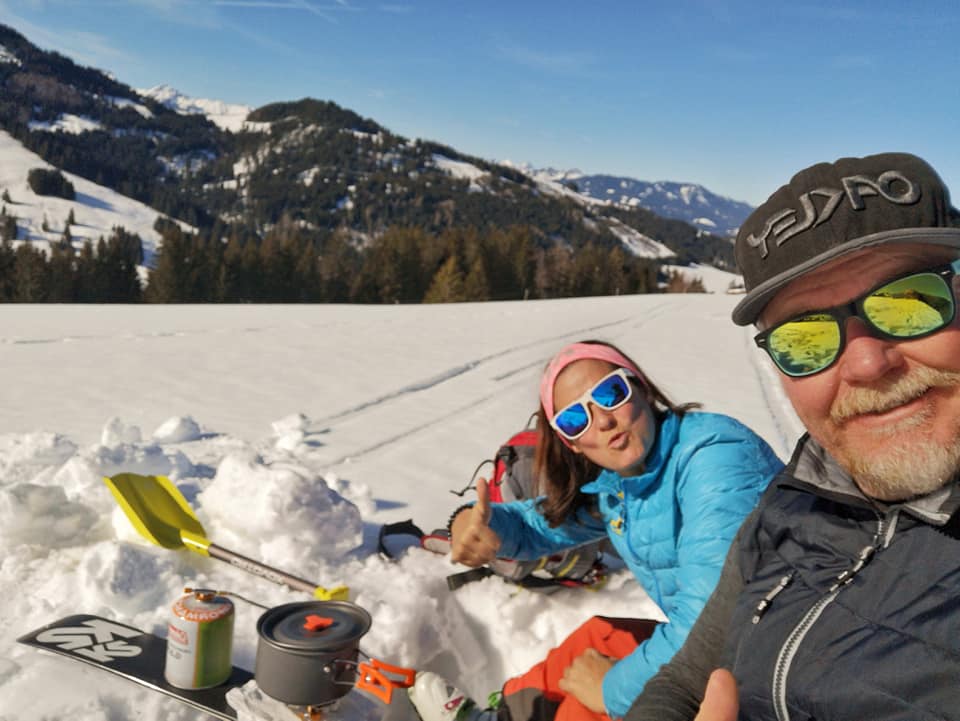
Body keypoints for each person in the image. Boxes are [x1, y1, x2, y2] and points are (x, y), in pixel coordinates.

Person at [626, 151, 960, 721]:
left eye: (911, 302)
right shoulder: (791, 499)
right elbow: (687, 681)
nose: (864, 363)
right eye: (804, 338)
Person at [408, 340, 783, 721]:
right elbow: (541, 524)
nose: (602, 421)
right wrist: (475, 521)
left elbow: (712, 625)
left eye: (609, 393)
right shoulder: (624, 483)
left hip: (776, 673)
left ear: (640, 387)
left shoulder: (714, 455)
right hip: (734, 658)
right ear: (571, 443)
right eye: (575, 418)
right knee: (598, 637)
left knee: (585, 705)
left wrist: (609, 691)